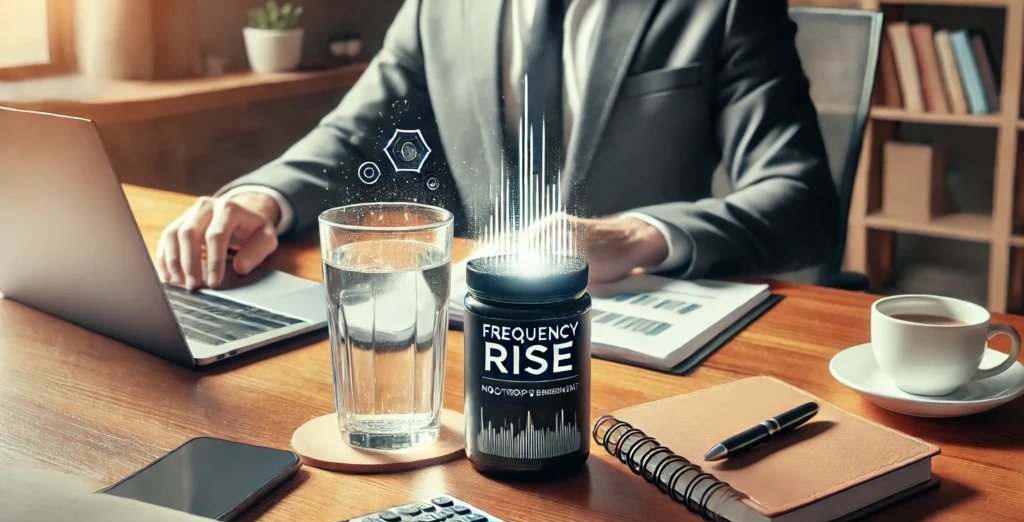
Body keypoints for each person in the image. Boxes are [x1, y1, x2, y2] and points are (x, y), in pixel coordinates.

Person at [157, 0, 838, 289]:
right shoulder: (438, 6)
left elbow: (801, 199)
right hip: (471, 338)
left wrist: (632, 235)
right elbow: (352, 131)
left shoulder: (721, 5)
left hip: (641, 353)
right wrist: (258, 198)